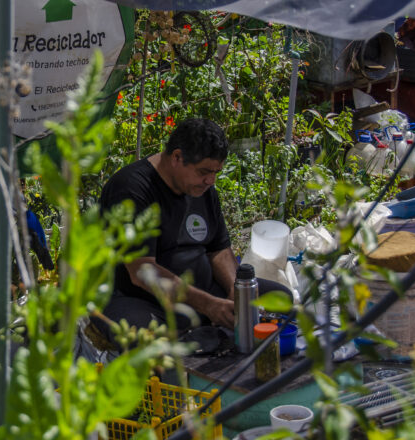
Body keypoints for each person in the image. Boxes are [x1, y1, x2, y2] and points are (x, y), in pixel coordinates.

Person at [89, 118, 287, 349]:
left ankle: (207, 333)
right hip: (139, 299)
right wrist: (209, 305)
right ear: (176, 157)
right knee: (143, 339)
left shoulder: (202, 188)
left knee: (279, 299)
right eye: (204, 171)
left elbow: (219, 250)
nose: (210, 181)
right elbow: (142, 273)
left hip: (202, 292)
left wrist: (235, 294)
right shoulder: (131, 190)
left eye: (216, 172)